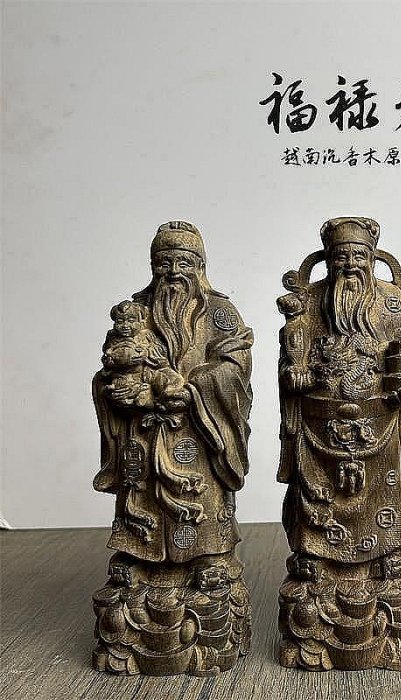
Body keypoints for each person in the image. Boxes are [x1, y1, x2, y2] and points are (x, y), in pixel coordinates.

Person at [92, 221, 253, 675]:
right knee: (141, 499)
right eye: (164, 264)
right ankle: (139, 563)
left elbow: (236, 366)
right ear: (152, 267)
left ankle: (208, 560)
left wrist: (196, 388)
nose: (174, 272)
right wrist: (118, 390)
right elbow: (108, 368)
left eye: (184, 263)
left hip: (198, 433)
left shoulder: (221, 313)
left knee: (201, 498)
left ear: (200, 266)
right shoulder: (134, 312)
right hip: (143, 434)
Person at [276, 217, 401, 671]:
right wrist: (294, 374)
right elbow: (291, 356)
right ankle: (317, 563)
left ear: (373, 259)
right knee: (318, 497)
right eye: (340, 256)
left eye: (359, 256)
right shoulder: (308, 304)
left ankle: (387, 559)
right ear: (327, 260)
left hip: (381, 423)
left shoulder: (394, 303)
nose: (349, 264)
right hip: (319, 427)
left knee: (384, 495)